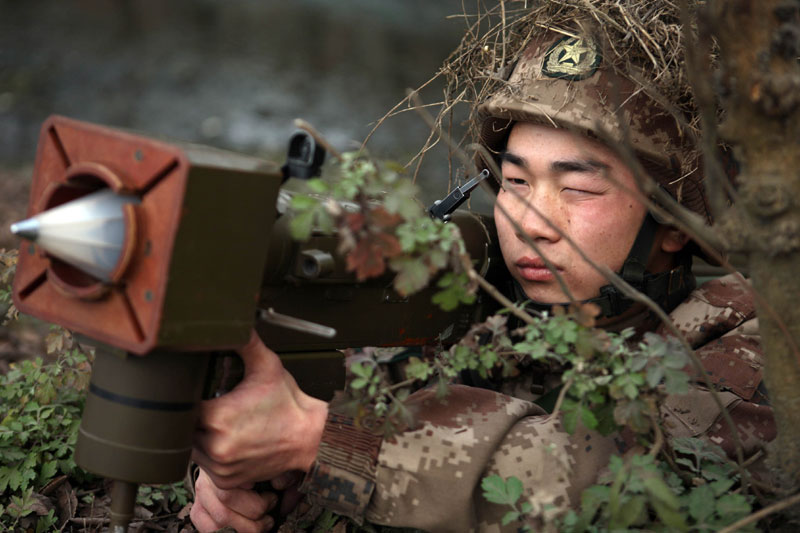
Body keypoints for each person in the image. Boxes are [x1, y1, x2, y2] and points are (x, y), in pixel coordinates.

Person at [189, 27, 775, 533]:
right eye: (516, 182)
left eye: (578, 189)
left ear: (673, 221)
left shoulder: (749, 341)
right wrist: (256, 476)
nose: (532, 222)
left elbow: (606, 481)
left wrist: (321, 442)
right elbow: (341, 394)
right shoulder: (479, 301)